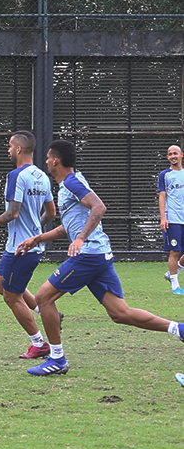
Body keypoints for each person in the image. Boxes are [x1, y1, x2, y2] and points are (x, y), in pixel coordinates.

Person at [17, 139, 184, 376]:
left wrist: (81, 239)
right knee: (120, 313)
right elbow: (69, 227)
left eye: (47, 158)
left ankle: (57, 358)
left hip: (88, 254)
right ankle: (179, 329)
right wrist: (38, 239)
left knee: (43, 298)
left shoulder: (72, 182)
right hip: (99, 254)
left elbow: (99, 207)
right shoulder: (68, 185)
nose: (45, 162)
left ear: (55, 161)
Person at [0, 131, 57, 359]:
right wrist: (36, 229)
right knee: (0, 284)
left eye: (10, 146)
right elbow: (51, 212)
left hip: (22, 248)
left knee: (11, 297)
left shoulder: (16, 175)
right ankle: (44, 311)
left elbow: (13, 213)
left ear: (19, 149)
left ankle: (39, 343)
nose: (8, 149)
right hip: (23, 246)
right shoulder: (42, 176)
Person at [158, 144, 184, 294]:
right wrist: (163, 218)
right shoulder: (165, 175)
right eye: (170, 154)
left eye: (175, 153)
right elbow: (162, 197)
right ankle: (175, 285)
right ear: (168, 157)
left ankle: (173, 272)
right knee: (175, 251)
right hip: (173, 219)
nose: (173, 156)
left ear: (181, 155)